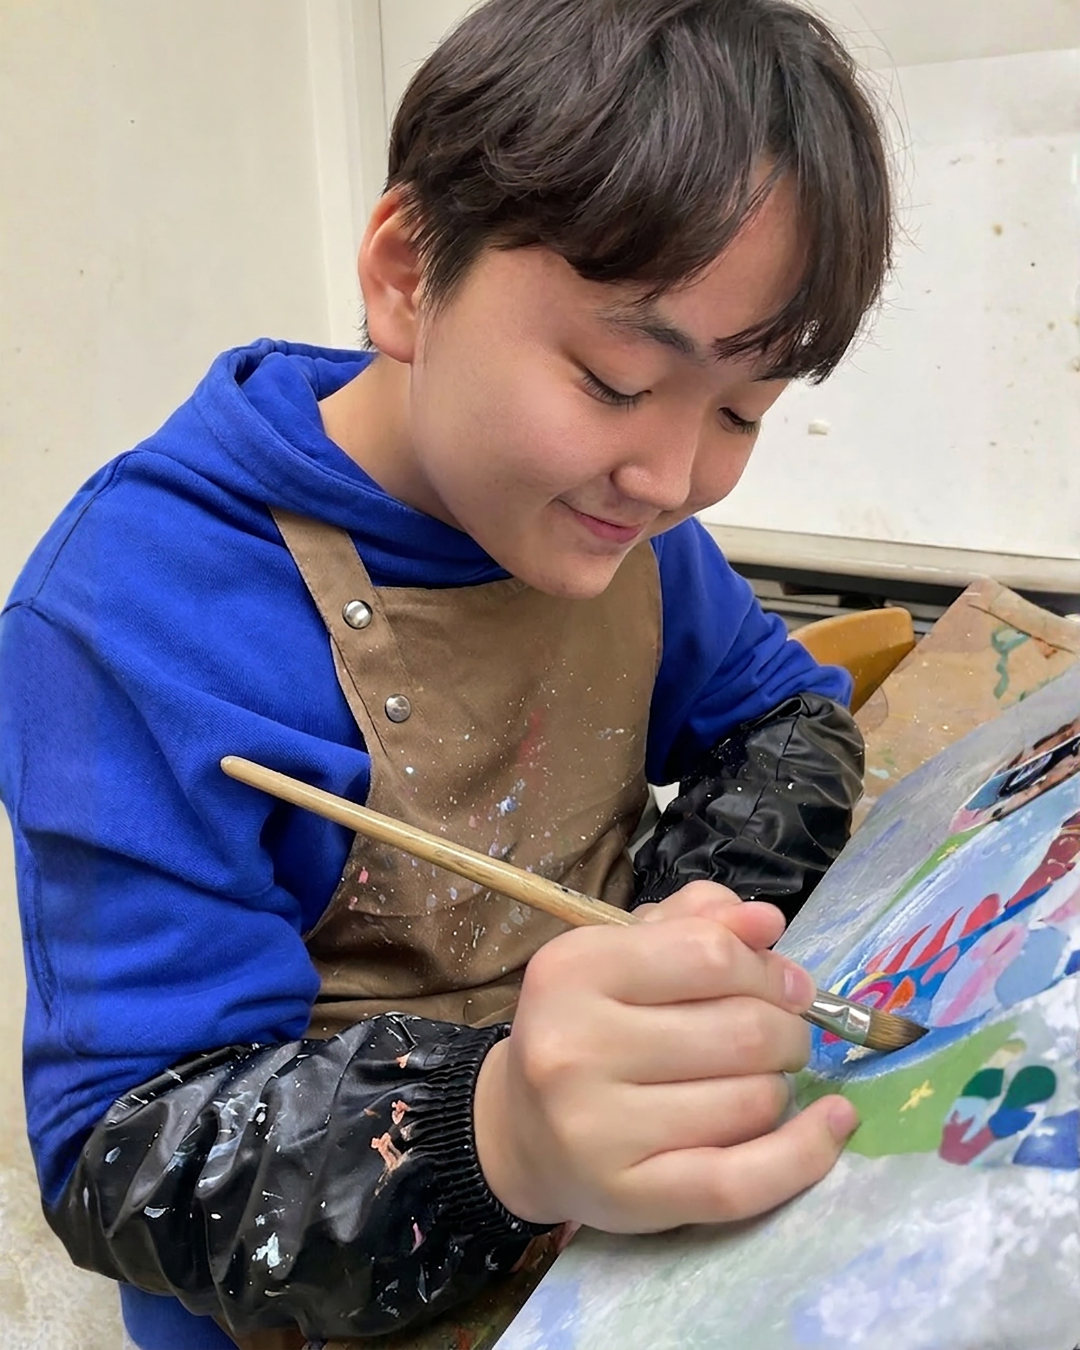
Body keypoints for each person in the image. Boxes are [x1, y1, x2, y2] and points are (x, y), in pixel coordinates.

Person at [0, 0, 891, 1345]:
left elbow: (781, 716)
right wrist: (502, 1132)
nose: (668, 477)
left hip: (623, 1252)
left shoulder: (629, 523)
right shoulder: (130, 609)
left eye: (739, 411)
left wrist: (688, 946)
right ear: (409, 272)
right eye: (609, 379)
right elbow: (122, 1157)